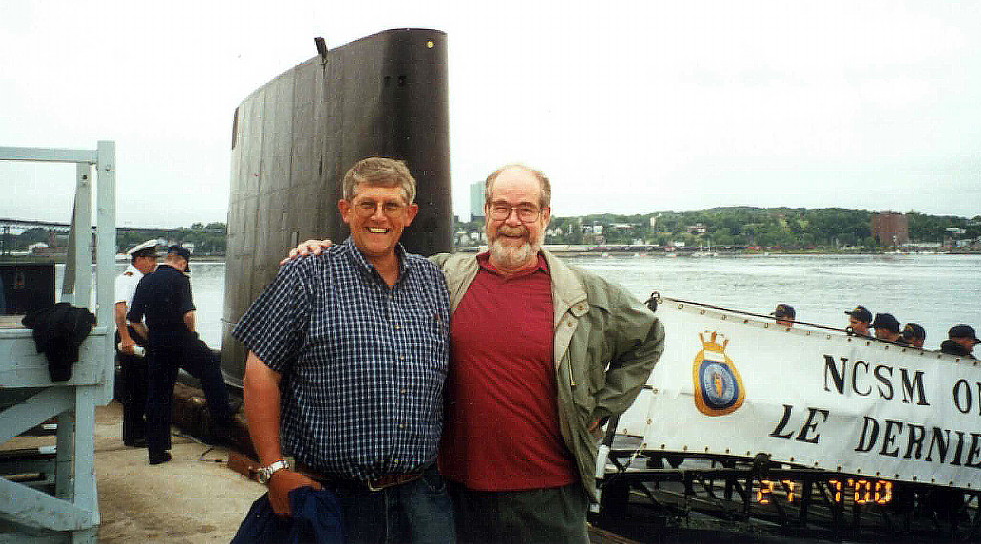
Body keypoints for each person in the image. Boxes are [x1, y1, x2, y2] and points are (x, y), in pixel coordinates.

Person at [287, 163, 665, 543]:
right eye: (501, 207)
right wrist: (321, 253)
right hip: (455, 491)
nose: (512, 221)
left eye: (526, 209)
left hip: (549, 494)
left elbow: (649, 338)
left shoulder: (584, 292)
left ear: (545, 216)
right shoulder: (443, 276)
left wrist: (601, 408)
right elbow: (377, 263)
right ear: (486, 213)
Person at [234, 157, 456, 544]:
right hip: (336, 499)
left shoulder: (434, 279)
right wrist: (273, 469)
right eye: (367, 204)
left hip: (422, 499)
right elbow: (260, 374)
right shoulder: (307, 273)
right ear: (345, 210)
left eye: (391, 206)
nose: (379, 216)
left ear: (410, 214)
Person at [128, 245, 233, 465]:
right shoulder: (181, 279)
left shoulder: (145, 280)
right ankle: (223, 419)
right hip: (181, 339)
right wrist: (191, 333)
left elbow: (134, 320)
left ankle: (157, 451)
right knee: (210, 367)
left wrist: (150, 339)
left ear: (167, 259)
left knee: (158, 394)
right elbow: (188, 314)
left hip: (157, 343)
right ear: (183, 263)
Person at [113, 239, 158, 447]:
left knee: (142, 386)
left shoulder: (143, 278)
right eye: (151, 259)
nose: (154, 263)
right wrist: (125, 338)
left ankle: (139, 431)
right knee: (134, 387)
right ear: (139, 259)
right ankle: (134, 435)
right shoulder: (128, 279)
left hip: (137, 333)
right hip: (130, 335)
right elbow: (120, 310)